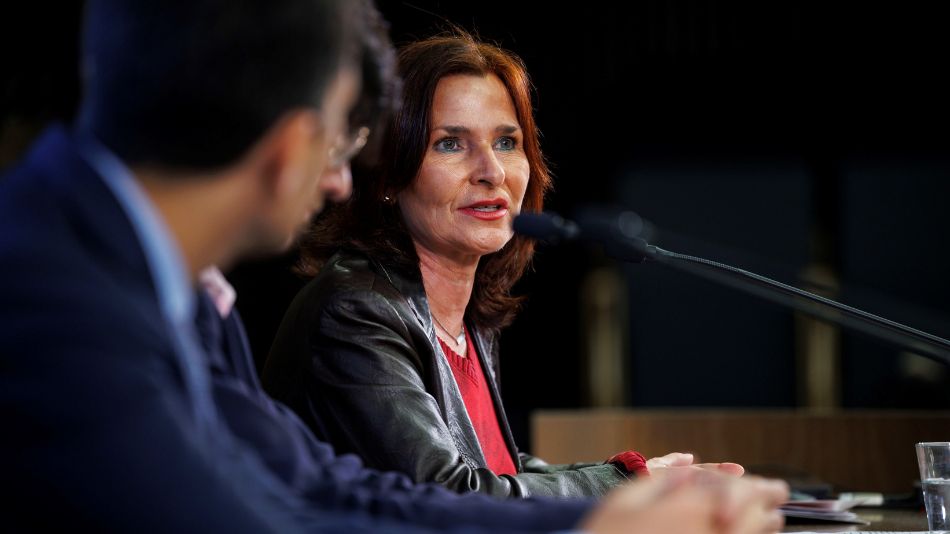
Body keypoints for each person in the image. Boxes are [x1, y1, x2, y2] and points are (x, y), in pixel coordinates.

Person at [0, 0, 789, 532]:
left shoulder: (176, 292)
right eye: (339, 143)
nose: (340, 178)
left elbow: (316, 487)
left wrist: (588, 517)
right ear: (285, 151)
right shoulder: (49, 296)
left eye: (508, 141)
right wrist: (605, 509)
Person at [263, 31, 743, 498]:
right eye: (450, 143)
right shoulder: (355, 312)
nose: (491, 171)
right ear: (389, 172)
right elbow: (449, 496)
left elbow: (497, 471)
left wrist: (647, 483)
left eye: (507, 142)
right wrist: (621, 483)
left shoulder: (462, 314)